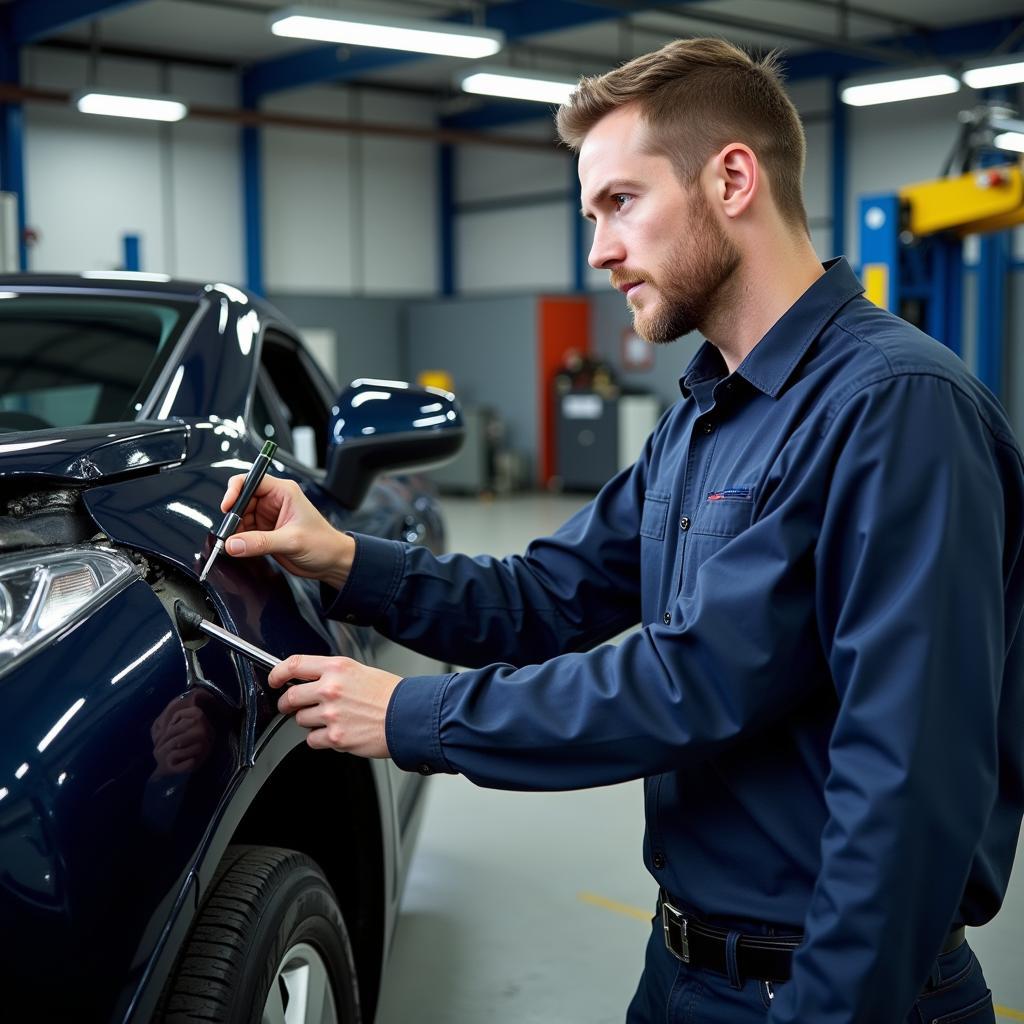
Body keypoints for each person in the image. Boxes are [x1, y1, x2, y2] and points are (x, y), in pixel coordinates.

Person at [217, 38, 1024, 1024]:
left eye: (619, 203)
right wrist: (342, 556)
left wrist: (417, 715)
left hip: (836, 987)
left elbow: (891, 782)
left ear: (732, 178)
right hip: (680, 967)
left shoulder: (896, 409)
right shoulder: (700, 418)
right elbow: (541, 597)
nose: (597, 249)